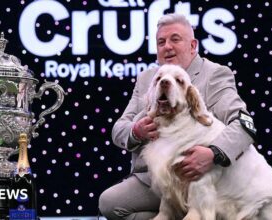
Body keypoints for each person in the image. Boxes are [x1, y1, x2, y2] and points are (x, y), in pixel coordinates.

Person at [99, 13, 256, 220]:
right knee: (109, 204)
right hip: (155, 180)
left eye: (175, 39)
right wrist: (136, 131)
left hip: (200, 178)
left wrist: (213, 154)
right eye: (161, 42)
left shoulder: (214, 75)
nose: (167, 47)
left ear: (193, 45)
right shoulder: (148, 79)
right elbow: (119, 129)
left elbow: (244, 126)